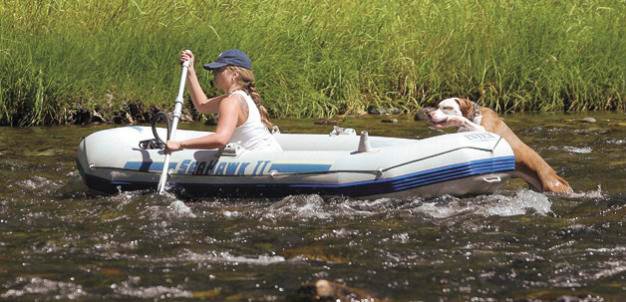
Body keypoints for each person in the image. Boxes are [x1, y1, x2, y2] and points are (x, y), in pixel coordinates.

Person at [165, 49, 282, 153]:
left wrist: (180, 144)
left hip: (263, 160)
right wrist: (190, 70)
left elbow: (220, 139)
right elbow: (202, 105)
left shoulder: (231, 101)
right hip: (272, 153)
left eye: (218, 69)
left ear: (235, 74)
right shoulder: (242, 95)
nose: (213, 73)